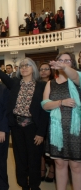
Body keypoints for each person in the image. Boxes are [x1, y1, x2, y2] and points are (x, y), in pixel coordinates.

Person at [0, 57, 49, 190]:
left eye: (27, 65)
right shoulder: (15, 83)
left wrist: (41, 132)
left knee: (34, 158)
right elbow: (3, 76)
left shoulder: (42, 85)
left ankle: (34, 185)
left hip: (33, 127)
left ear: (33, 69)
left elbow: (44, 111)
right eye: (22, 66)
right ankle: (23, 185)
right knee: (20, 159)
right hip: (17, 127)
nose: (24, 68)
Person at [42, 52, 81, 190]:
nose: (64, 62)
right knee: (59, 164)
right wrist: (61, 102)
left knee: (76, 166)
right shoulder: (50, 83)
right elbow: (45, 105)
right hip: (56, 129)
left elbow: (75, 76)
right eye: (61, 60)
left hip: (76, 130)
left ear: (73, 64)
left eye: (67, 60)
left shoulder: (78, 79)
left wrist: (64, 67)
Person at [38, 63, 55, 183]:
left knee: (52, 145)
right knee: (40, 145)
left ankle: (53, 170)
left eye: (46, 69)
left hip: (53, 117)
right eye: (41, 69)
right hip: (39, 117)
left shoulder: (55, 83)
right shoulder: (37, 84)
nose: (43, 71)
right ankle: (42, 168)